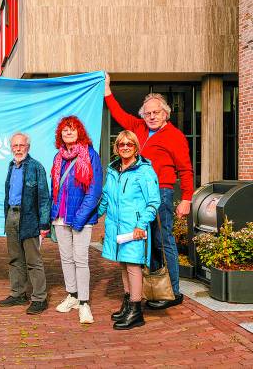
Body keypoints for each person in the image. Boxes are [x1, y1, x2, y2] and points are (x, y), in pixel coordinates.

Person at [104, 74, 194, 308]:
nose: (152, 116)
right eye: (148, 113)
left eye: (156, 112)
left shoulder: (175, 137)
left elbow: (185, 169)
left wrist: (186, 198)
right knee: (143, 242)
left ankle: (172, 292)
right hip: (137, 196)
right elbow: (118, 113)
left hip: (161, 194)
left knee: (163, 242)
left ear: (165, 113)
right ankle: (150, 289)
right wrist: (107, 89)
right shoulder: (138, 128)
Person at [99, 131, 161, 329]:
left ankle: (136, 311)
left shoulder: (145, 171)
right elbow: (106, 198)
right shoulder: (112, 169)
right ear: (116, 147)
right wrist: (92, 217)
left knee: (134, 266)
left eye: (129, 144)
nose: (125, 147)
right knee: (124, 265)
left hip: (135, 229)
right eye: (121, 144)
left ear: (136, 147)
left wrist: (141, 225)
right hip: (116, 228)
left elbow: (153, 202)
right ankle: (128, 305)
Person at [49, 116, 102, 324]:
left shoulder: (90, 155)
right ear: (60, 135)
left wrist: (79, 217)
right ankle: (72, 295)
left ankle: (84, 302)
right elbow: (55, 188)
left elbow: (94, 190)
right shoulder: (58, 157)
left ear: (79, 131)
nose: (68, 133)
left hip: (81, 217)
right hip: (60, 216)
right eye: (64, 130)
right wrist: (53, 214)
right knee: (66, 258)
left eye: (71, 129)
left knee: (81, 259)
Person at [0, 132, 51, 315]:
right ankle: (18, 293)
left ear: (28, 147)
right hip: (11, 216)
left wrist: (44, 224)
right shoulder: (11, 166)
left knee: (33, 260)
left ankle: (39, 298)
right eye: (15, 146)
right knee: (15, 259)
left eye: (21, 145)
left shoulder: (36, 167)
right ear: (11, 148)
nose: (18, 149)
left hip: (29, 218)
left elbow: (44, 197)